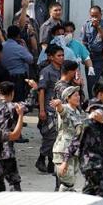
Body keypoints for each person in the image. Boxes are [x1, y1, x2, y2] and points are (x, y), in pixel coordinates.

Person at [36, 44, 64, 173]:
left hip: (60, 109)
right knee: (50, 137)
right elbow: (41, 91)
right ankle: (42, 158)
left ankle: (51, 162)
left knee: (59, 137)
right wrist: (42, 110)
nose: (62, 58)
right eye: (59, 55)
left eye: (63, 55)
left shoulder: (64, 70)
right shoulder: (46, 71)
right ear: (51, 57)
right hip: (49, 109)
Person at [0, 81, 24, 191]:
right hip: (6, 150)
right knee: (14, 181)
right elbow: (29, 104)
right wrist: (34, 90)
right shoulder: (13, 107)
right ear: (12, 93)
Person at [52, 86, 84, 192]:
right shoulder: (65, 108)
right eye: (75, 95)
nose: (78, 97)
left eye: (78, 95)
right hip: (63, 149)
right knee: (67, 182)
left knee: (71, 181)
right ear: (68, 98)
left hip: (74, 150)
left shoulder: (78, 112)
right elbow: (61, 112)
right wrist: (58, 104)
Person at [81, 5, 103, 97]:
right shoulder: (86, 25)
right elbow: (83, 41)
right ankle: (92, 102)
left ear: (101, 15)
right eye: (92, 16)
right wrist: (84, 56)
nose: (94, 18)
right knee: (91, 82)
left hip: (102, 57)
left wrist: (98, 27)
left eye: (96, 16)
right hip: (91, 58)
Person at [1, 26, 34, 102]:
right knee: (18, 100)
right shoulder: (19, 47)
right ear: (18, 35)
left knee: (6, 98)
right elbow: (30, 59)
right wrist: (24, 46)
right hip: (18, 78)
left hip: (5, 76)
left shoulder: (2, 46)